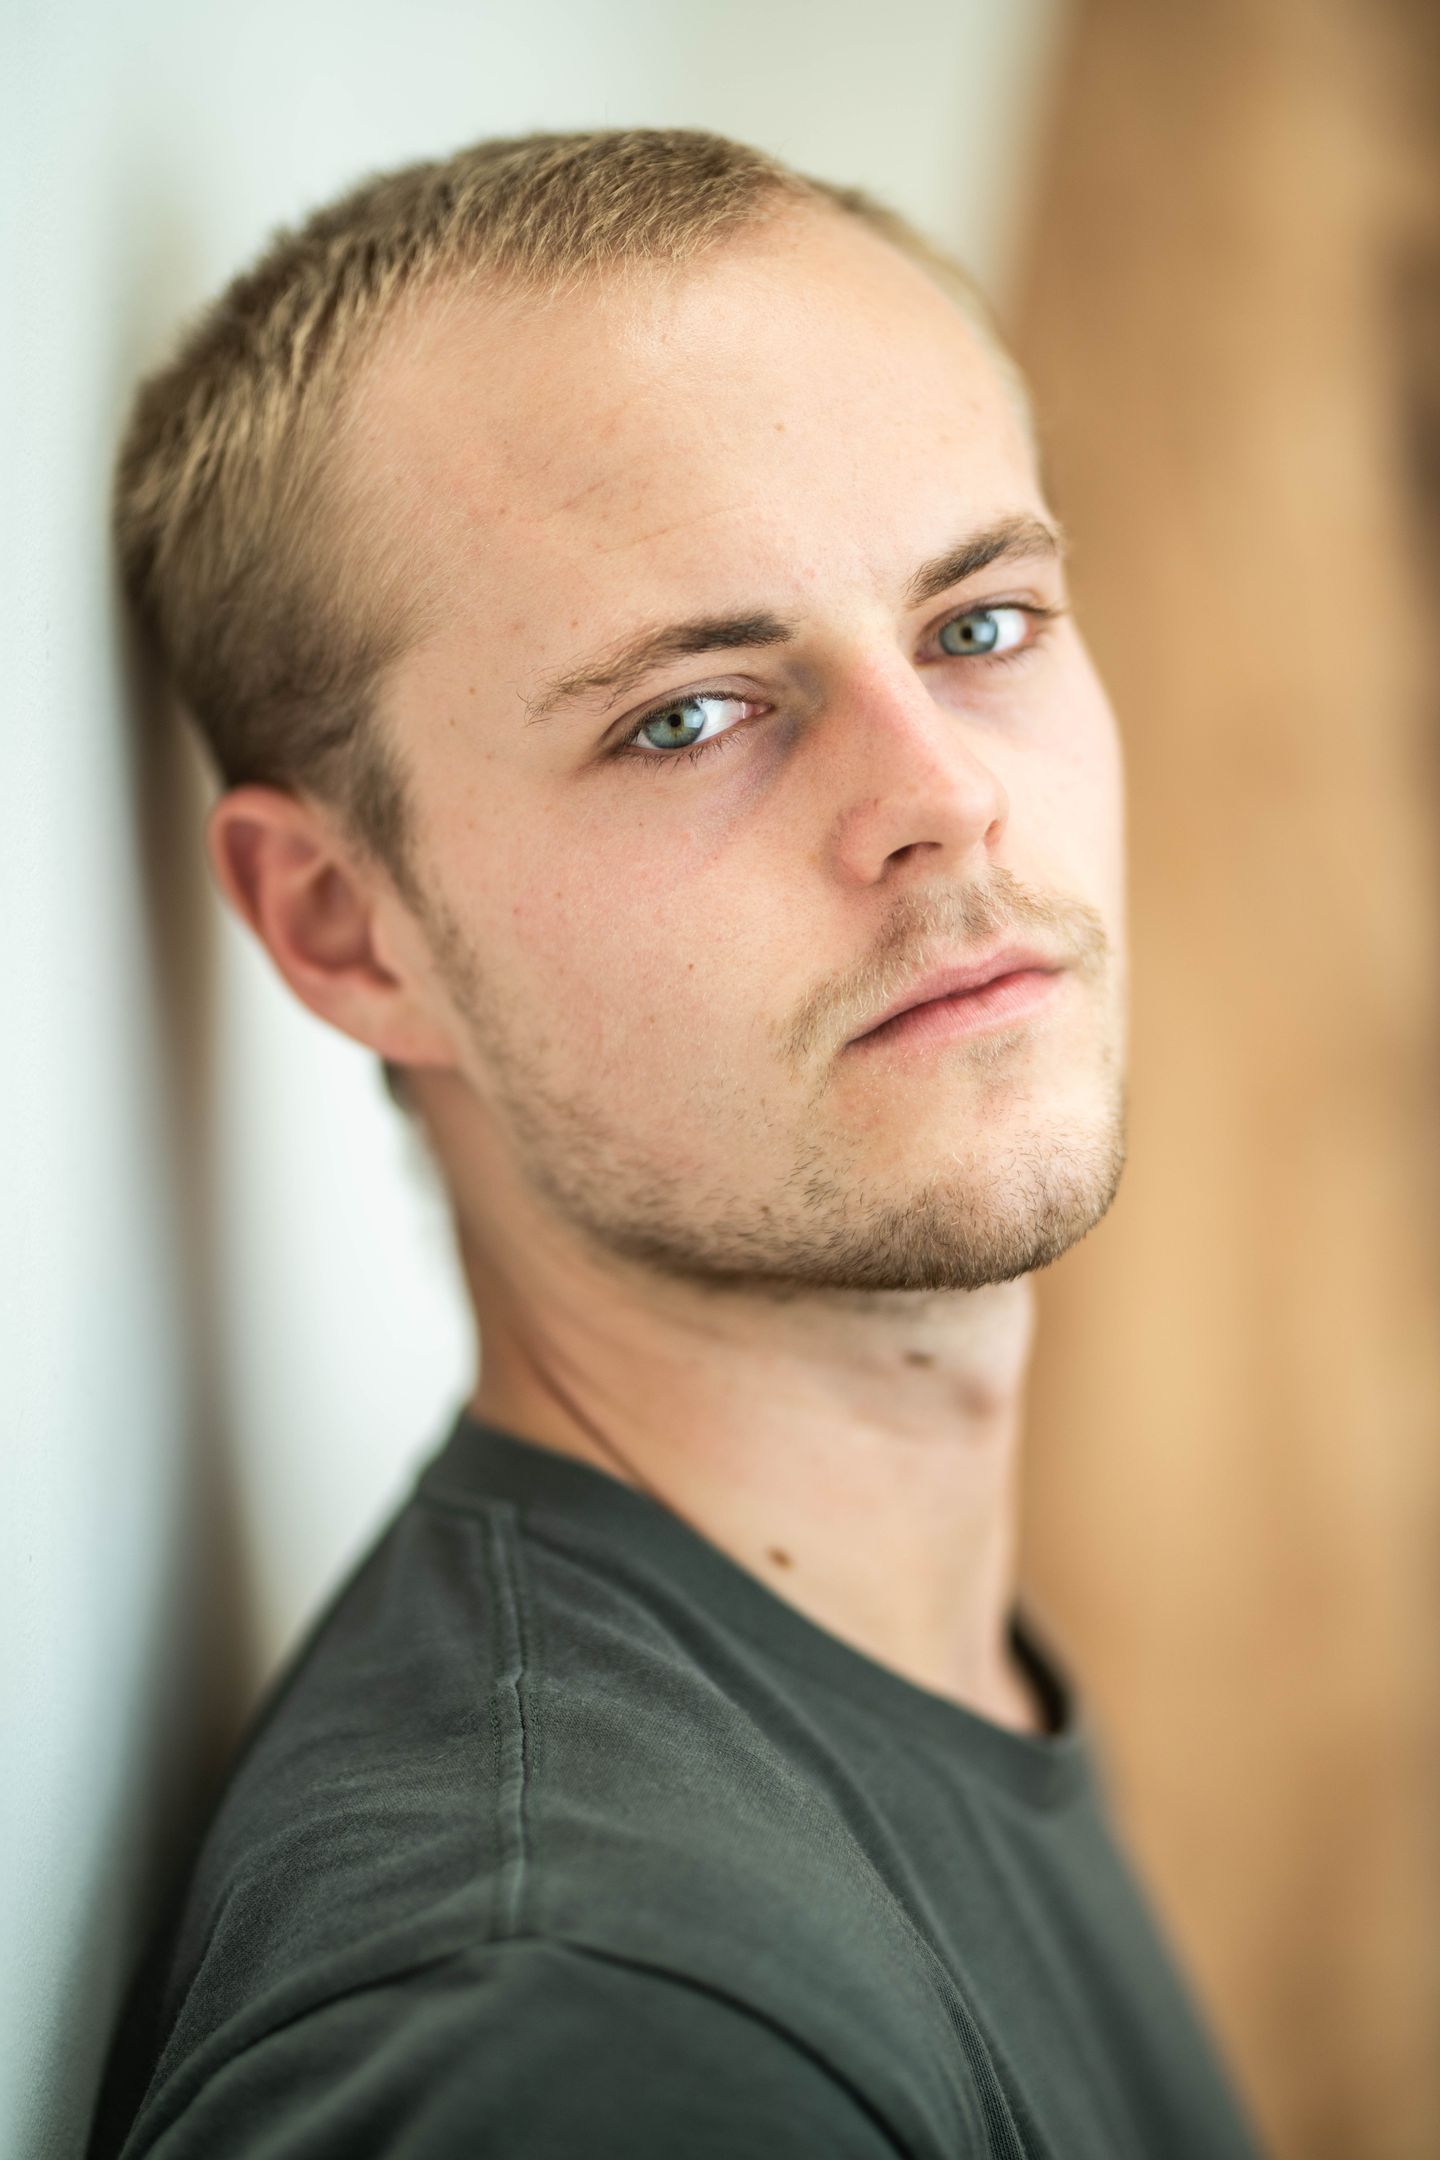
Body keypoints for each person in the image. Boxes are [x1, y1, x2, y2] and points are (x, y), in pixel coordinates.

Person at [89, 127, 1267, 2157]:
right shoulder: (579, 2030)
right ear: (345, 927)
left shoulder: (885, 1698)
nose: (945, 801)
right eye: (691, 716)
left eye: (981, 623)